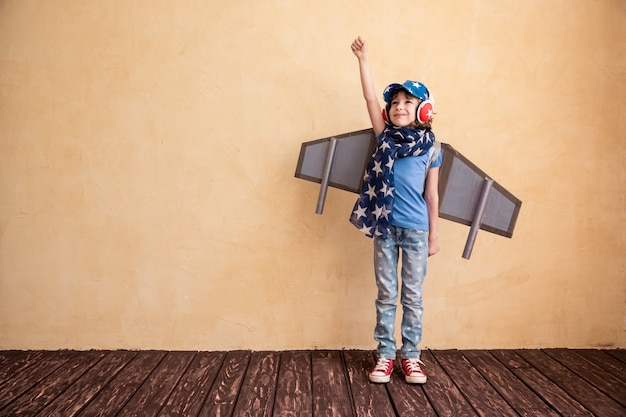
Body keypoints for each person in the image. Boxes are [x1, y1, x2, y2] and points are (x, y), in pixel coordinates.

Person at [349, 36, 442, 384]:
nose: (399, 106)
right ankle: (386, 355)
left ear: (423, 109)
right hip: (385, 229)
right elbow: (370, 97)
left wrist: (435, 234)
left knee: (413, 297)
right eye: (395, 102)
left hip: (417, 231)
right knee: (387, 295)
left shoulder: (432, 149)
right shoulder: (383, 136)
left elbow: (432, 196)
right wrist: (364, 60)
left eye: (408, 101)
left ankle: (412, 357)